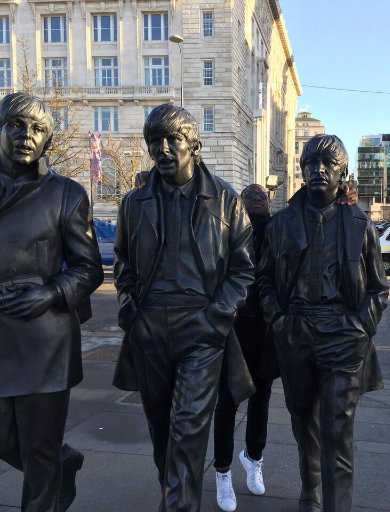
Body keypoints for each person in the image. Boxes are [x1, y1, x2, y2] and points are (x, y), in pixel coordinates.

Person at [112, 103, 255, 512]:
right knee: (162, 433)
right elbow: (122, 262)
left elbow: (243, 270)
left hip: (202, 329)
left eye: (172, 139)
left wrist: (217, 317)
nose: (163, 148)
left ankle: (177, 506)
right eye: (155, 141)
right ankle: (174, 495)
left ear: (194, 144)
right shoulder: (135, 201)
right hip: (149, 326)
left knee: (187, 432)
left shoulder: (227, 200)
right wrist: (128, 307)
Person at [258, 134, 388, 512]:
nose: (318, 170)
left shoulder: (360, 224)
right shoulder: (281, 223)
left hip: (342, 334)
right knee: (304, 423)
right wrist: (278, 320)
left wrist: (360, 328)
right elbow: (264, 279)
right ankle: (309, 487)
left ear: (341, 172)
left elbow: (379, 289)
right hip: (296, 331)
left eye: (327, 164)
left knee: (338, 430)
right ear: (301, 171)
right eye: (311, 163)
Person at [0, 92, 104, 512]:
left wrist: (51, 292)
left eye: (38, 130)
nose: (27, 136)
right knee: (10, 439)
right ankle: (65, 461)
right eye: (17, 125)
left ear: (48, 142)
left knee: (39, 451)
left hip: (45, 340)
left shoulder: (66, 193)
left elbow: (88, 268)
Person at [212, 183, 273, 512]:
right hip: (234, 327)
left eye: (261, 198)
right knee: (229, 400)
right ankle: (222, 471)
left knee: (261, 398)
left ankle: (254, 456)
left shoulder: (275, 230)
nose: (255, 202)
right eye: (251, 199)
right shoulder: (230, 231)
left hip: (264, 327)